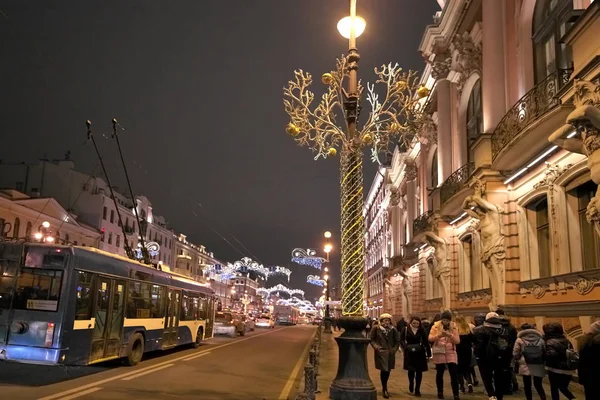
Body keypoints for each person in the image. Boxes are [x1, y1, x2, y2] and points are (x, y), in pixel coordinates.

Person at [473, 311, 511, 400]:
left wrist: (477, 355)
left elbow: (479, 345)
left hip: (484, 358)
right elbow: (508, 345)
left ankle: (491, 394)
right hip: (500, 357)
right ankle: (499, 396)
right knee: (499, 378)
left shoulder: (479, 330)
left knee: (486, 377)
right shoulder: (504, 330)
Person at [429, 310, 461, 400]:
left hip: (451, 352)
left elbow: (457, 341)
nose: (445, 322)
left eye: (447, 320)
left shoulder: (454, 327)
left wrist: (450, 335)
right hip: (439, 352)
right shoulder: (435, 327)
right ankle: (440, 392)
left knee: (454, 374)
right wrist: (439, 335)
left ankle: (456, 394)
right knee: (440, 373)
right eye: (444, 320)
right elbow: (430, 338)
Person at [370, 313, 401, 399]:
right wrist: (377, 347)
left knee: (387, 370)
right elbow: (371, 338)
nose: (386, 322)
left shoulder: (393, 329)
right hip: (381, 352)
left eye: (388, 320)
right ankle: (384, 388)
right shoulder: (376, 328)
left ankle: (385, 387)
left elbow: (397, 340)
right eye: (385, 320)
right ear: (381, 321)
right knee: (384, 369)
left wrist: (394, 349)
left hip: (390, 353)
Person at [543, 322, 576, 400]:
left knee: (554, 389)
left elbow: (551, 356)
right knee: (563, 388)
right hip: (568, 369)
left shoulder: (549, 342)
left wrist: (543, 355)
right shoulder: (567, 341)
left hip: (555, 370)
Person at [513, 323, 546, 400]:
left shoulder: (519, 339)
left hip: (525, 363)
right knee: (538, 385)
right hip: (538, 362)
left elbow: (515, 353)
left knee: (527, 385)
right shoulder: (540, 339)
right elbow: (544, 351)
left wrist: (518, 359)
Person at [400, 316, 431, 397]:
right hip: (409, 353)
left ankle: (417, 389)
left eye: (417, 323)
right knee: (411, 371)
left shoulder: (422, 330)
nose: (416, 325)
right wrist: (405, 347)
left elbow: (425, 341)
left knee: (419, 372)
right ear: (411, 322)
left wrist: (428, 354)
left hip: (419, 353)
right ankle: (411, 383)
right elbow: (401, 340)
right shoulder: (406, 329)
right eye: (414, 323)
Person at [496, 308, 519, 394]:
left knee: (498, 370)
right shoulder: (511, 326)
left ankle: (500, 388)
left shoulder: (496, 326)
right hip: (509, 351)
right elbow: (515, 338)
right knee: (508, 369)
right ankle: (508, 388)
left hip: (498, 351)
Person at [579, 321, 600, 400]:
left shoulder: (585, 342)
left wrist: (581, 378)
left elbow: (581, 363)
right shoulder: (596, 342)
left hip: (588, 377)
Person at [455, 315, 475, 394]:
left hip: (458, 352)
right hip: (467, 352)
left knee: (459, 370)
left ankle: (462, 387)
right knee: (466, 369)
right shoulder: (468, 330)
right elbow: (472, 340)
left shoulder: (456, 330)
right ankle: (469, 385)